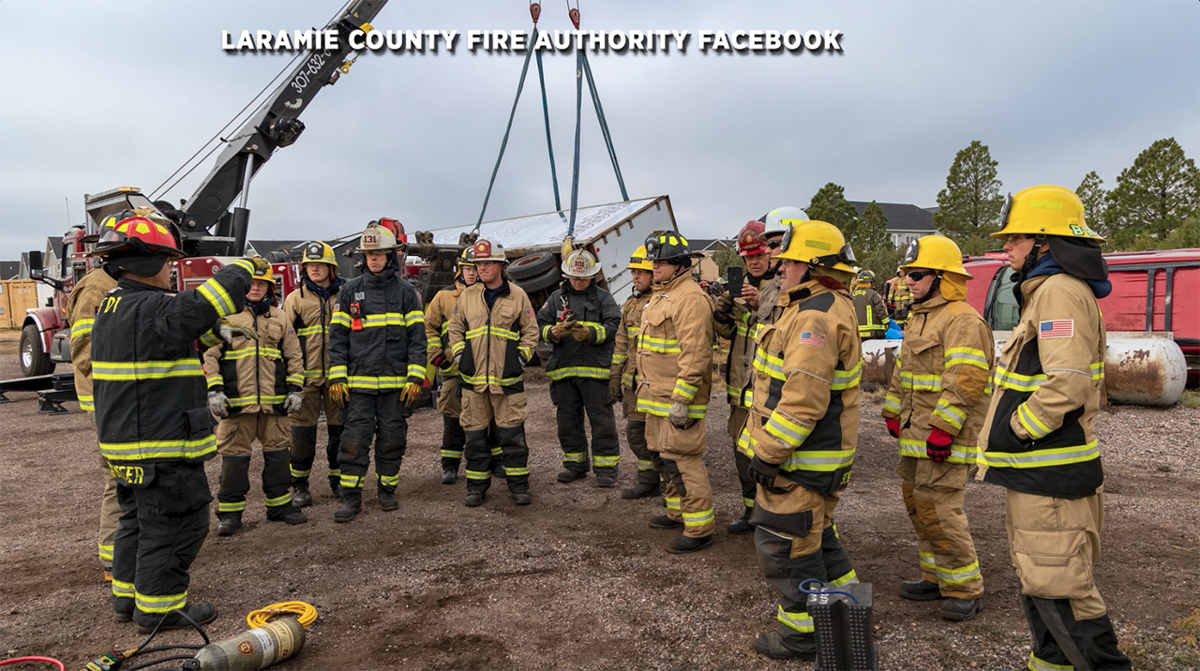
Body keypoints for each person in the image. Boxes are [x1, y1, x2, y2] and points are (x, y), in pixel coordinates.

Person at [979, 185, 1131, 671]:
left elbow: (1066, 385)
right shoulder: (1046, 289)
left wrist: (1017, 430)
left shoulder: (1059, 291)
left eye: (1016, 238)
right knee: (1043, 581)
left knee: (1060, 586)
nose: (1006, 247)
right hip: (1042, 473)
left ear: (1045, 243)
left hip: (1049, 474)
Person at [91, 212, 264, 632]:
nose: (172, 270)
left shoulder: (114, 307)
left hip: (129, 446)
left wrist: (213, 336)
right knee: (176, 523)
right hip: (161, 445)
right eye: (170, 262)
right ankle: (160, 608)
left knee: (136, 520)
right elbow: (207, 302)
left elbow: (161, 344)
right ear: (150, 262)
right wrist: (246, 265)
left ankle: (128, 599)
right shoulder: (152, 307)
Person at [737, 220, 861, 661]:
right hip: (815, 457)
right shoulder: (815, 305)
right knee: (819, 538)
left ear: (814, 267)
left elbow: (803, 400)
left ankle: (802, 635)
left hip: (801, 460)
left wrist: (767, 454)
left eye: (790, 261)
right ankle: (847, 616)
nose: (781, 267)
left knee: (786, 546)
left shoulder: (814, 315)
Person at [881, 235, 991, 621]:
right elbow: (904, 372)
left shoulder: (962, 320)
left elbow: (966, 379)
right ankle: (936, 576)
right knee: (919, 506)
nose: (908, 281)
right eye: (905, 274)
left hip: (944, 439)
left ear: (941, 277)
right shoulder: (921, 316)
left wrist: (943, 428)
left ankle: (964, 588)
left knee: (941, 510)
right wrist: (892, 412)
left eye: (915, 274)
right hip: (916, 436)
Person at [327, 222, 427, 523]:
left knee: (392, 439)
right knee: (353, 441)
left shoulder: (408, 293)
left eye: (379, 254)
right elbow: (338, 340)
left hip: (395, 386)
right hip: (358, 387)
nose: (373, 259)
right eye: (369, 254)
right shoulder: (348, 292)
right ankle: (351, 498)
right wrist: (337, 376)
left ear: (390, 256)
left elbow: (418, 339)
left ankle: (387, 490)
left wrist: (415, 377)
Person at [204, 264, 307, 535]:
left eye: (262, 283)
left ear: (269, 287)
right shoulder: (225, 317)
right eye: (251, 283)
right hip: (236, 405)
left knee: (278, 457)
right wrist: (214, 391)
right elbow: (210, 357)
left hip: (274, 404)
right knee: (234, 462)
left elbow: (294, 356)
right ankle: (229, 515)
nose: (256, 287)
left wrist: (296, 390)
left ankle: (279, 507)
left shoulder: (280, 317)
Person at [635, 231, 716, 554]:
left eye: (661, 262)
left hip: (677, 399)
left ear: (680, 265)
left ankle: (699, 528)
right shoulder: (662, 295)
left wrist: (682, 400)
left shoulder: (690, 299)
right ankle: (677, 511)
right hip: (656, 398)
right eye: (653, 261)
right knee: (663, 457)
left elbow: (696, 354)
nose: (654, 267)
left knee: (684, 462)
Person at [447, 238, 539, 507]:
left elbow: (530, 331)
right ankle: (476, 487)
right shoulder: (467, 296)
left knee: (513, 438)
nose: (481, 268)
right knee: (475, 439)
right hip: (473, 383)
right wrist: (462, 356)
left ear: (501, 265)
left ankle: (519, 487)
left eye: (487, 263)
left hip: (507, 382)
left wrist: (519, 359)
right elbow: (455, 329)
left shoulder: (518, 295)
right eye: (478, 263)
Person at [713, 220, 780, 534]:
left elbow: (777, 335)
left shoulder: (782, 288)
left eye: (759, 254)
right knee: (741, 455)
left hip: (768, 391)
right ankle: (751, 512)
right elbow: (730, 334)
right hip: (741, 389)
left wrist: (756, 308)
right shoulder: (738, 289)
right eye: (748, 256)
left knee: (769, 455)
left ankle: (773, 515)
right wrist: (723, 314)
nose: (754, 261)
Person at [66, 212, 122, 581]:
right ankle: (113, 558)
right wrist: (122, 384)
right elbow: (84, 349)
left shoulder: (122, 282)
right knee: (121, 476)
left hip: (120, 396)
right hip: (107, 398)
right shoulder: (96, 287)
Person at [537, 249, 622, 487]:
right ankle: (575, 466)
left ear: (593, 277)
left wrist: (592, 334)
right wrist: (551, 332)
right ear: (566, 276)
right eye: (574, 277)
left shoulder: (604, 298)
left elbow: (615, 326)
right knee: (568, 423)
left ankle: (606, 471)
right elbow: (540, 325)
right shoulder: (555, 298)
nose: (578, 281)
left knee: (602, 423)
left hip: (595, 374)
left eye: (583, 278)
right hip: (564, 374)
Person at [283, 241, 346, 506]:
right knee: (302, 437)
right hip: (305, 378)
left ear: (331, 267)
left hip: (337, 377)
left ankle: (339, 482)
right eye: (310, 265)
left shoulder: (345, 294)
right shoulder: (294, 299)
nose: (315, 269)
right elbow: (284, 342)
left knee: (339, 433)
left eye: (320, 265)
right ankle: (299, 487)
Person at [425, 247, 478, 485]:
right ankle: (450, 467)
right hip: (453, 371)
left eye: (476, 268)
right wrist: (436, 355)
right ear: (460, 270)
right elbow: (428, 328)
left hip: (484, 373)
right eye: (468, 268)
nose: (473, 273)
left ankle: (493, 464)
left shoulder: (493, 294)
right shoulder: (444, 297)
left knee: (489, 423)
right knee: (452, 422)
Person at [611, 246, 660, 499]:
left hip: (656, 382)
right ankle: (649, 480)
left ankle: (666, 483)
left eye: (641, 272)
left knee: (658, 436)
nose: (635, 278)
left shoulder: (663, 302)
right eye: (633, 273)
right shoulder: (631, 304)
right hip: (634, 381)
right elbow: (621, 343)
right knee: (636, 432)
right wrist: (615, 375)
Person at [851, 269, 890, 340]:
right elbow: (880, 310)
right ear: (869, 282)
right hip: (873, 333)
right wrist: (887, 322)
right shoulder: (873, 294)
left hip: (856, 333)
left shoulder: (851, 295)